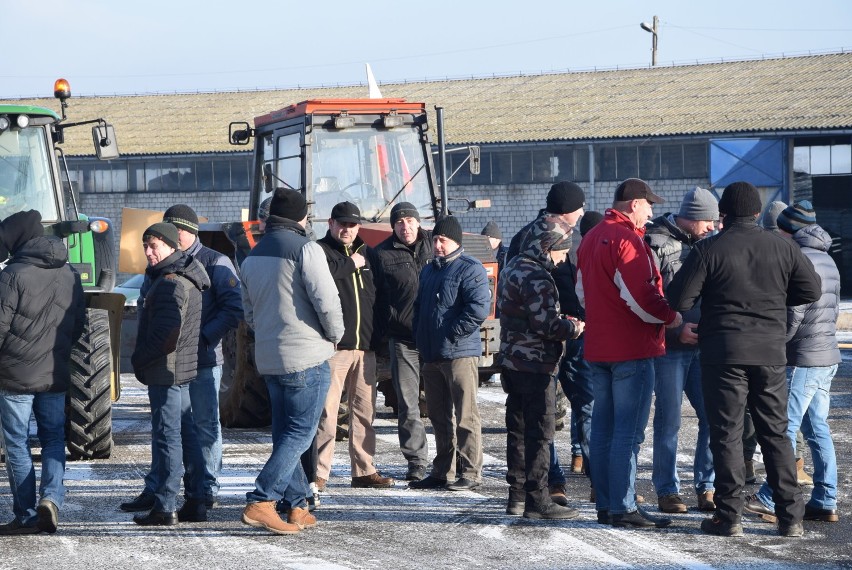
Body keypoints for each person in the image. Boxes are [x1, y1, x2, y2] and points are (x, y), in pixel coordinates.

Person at [667, 181, 821, 538]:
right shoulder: (782, 246)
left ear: (723, 213)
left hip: (723, 353)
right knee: (776, 433)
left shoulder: (709, 249)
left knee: (727, 434)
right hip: (769, 351)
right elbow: (810, 290)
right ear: (756, 211)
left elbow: (680, 299)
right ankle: (790, 517)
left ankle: (729, 515)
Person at [121, 204, 242, 517]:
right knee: (172, 429)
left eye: (180, 229)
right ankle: (161, 487)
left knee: (200, 426)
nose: (175, 234)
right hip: (172, 360)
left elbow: (233, 309)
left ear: (192, 232)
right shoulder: (160, 265)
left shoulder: (215, 261)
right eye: (169, 228)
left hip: (200, 358)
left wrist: (203, 339)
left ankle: (204, 489)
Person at [575, 178, 682, 529]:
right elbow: (642, 298)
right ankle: (623, 506)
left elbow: (582, 294)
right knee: (627, 433)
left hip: (598, 347)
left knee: (603, 430)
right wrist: (672, 317)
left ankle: (607, 504)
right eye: (648, 204)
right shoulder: (627, 239)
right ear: (634, 203)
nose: (651, 211)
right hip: (630, 349)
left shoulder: (591, 237)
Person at [239, 188, 344, 535]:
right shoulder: (306, 249)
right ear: (300, 218)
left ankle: (297, 505)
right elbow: (326, 300)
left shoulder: (252, 257)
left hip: (269, 359)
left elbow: (249, 312)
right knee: (301, 432)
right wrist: (335, 334)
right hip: (306, 357)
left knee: (285, 432)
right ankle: (262, 499)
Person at [745, 200, 841, 524]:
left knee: (782, 427)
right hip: (827, 355)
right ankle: (826, 499)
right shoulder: (828, 258)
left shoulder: (798, 259)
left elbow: (793, 315)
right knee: (817, 429)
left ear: (788, 232)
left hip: (802, 358)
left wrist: (772, 345)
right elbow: (833, 312)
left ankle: (772, 497)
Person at [0, 210, 85, 535]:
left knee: (17, 443)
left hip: (14, 375)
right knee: (52, 439)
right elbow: (77, 324)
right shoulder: (69, 273)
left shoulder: (12, 274)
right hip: (54, 373)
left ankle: (25, 515)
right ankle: (50, 498)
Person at [498, 216, 583, 519]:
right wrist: (573, 327)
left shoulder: (512, 268)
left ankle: (517, 496)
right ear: (548, 247)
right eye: (561, 252)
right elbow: (547, 325)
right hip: (537, 366)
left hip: (512, 361)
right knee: (540, 433)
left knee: (517, 431)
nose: (562, 260)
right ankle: (538, 499)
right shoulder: (538, 277)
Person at [131, 222, 210, 526]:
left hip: (167, 371)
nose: (149, 252)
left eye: (154, 246)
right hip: (182, 368)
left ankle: (165, 506)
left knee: (168, 437)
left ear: (171, 246)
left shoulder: (169, 282)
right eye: (145, 247)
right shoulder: (185, 275)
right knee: (186, 434)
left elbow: (166, 336)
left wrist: (138, 359)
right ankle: (197, 500)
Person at [645, 187, 718, 514]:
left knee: (714, 418)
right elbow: (648, 299)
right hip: (671, 349)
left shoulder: (709, 244)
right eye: (708, 221)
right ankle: (667, 490)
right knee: (669, 419)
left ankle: (708, 487)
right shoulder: (655, 243)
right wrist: (675, 331)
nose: (712, 227)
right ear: (692, 216)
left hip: (705, 348)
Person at [316, 201, 394, 490]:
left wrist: (380, 335)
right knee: (328, 411)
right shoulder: (320, 252)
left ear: (359, 226)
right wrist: (350, 265)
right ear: (331, 224)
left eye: (352, 224)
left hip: (366, 347)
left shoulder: (369, 255)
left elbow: (381, 297)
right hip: (334, 348)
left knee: (364, 412)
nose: (347, 229)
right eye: (342, 223)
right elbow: (319, 281)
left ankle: (363, 470)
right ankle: (319, 473)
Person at [410, 216, 491, 491]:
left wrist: (451, 333)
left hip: (458, 353)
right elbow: (419, 308)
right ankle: (442, 470)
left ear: (456, 241)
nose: (437, 245)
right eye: (434, 240)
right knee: (438, 415)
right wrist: (421, 336)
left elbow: (478, 309)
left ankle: (470, 471)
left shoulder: (471, 269)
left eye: (442, 240)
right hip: (432, 355)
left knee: (466, 415)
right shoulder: (429, 271)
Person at [373, 202, 433, 481]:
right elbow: (376, 299)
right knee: (408, 405)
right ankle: (416, 461)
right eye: (399, 222)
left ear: (418, 223)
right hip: (403, 340)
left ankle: (450, 460)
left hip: (437, 338)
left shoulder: (437, 245)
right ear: (393, 226)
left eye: (410, 220)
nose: (405, 226)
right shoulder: (382, 254)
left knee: (445, 403)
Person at [547, 211, 601, 506]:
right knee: (548, 414)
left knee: (589, 407)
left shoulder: (580, 251)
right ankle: (555, 482)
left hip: (578, 341)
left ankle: (598, 480)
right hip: (548, 343)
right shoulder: (538, 248)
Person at [507, 181, 586, 261]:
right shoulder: (525, 237)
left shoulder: (576, 237)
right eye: (579, 208)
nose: (582, 214)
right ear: (566, 209)